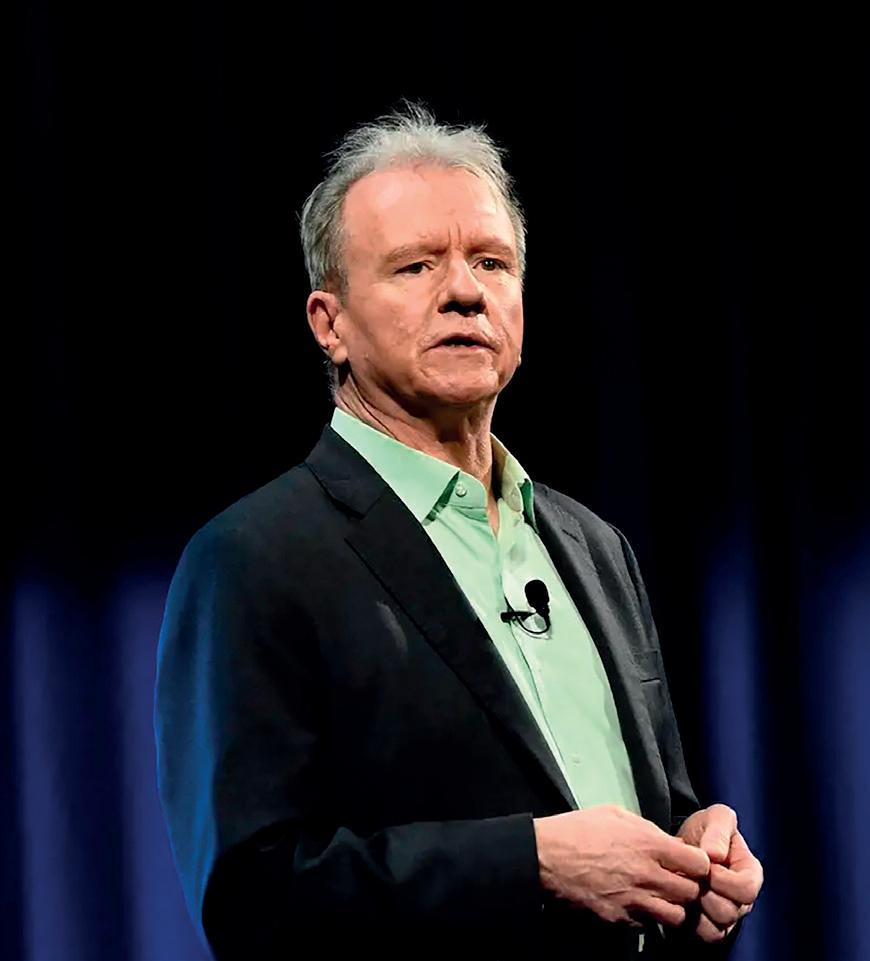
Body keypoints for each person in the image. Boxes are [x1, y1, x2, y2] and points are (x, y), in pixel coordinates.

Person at [155, 104, 763, 960]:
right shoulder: (252, 561)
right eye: (415, 265)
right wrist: (533, 863)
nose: (466, 291)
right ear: (330, 323)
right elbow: (255, 898)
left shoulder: (595, 547)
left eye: (491, 261)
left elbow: (649, 820)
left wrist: (698, 862)